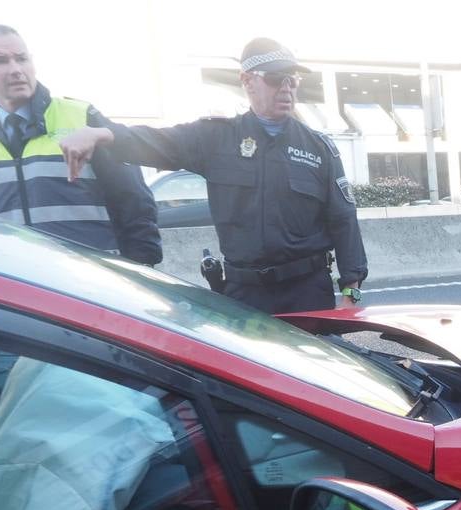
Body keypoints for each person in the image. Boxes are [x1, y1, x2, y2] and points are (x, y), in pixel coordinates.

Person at [59, 38, 366, 314]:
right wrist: (101, 133)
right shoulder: (216, 139)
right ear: (248, 82)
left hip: (307, 292)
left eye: (292, 80)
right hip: (246, 295)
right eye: (275, 79)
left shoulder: (319, 148)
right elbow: (158, 141)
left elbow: (343, 219)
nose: (286, 88)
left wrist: (351, 290)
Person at [0, 24, 161, 266]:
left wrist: (143, 268)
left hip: (96, 282)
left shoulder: (81, 117)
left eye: (21, 58)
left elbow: (132, 200)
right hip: (19, 282)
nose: (16, 69)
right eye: (0, 61)